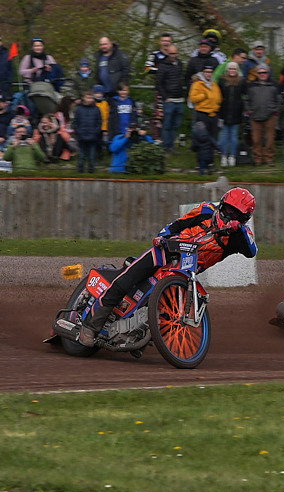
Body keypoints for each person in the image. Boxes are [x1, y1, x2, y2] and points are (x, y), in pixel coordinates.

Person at [79, 187, 258, 346]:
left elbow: (252, 251)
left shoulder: (240, 236)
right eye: (228, 210)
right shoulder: (206, 210)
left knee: (168, 310)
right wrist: (162, 236)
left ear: (244, 218)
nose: (230, 215)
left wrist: (238, 229)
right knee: (128, 277)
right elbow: (178, 224)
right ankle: (90, 327)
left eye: (236, 215)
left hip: (187, 270)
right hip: (167, 251)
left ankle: (144, 334)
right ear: (222, 204)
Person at [246, 64, 279, 165]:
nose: (262, 74)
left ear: (268, 73)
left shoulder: (274, 85)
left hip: (270, 116)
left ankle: (269, 158)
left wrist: (274, 110)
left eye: (264, 72)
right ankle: (258, 158)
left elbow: (278, 100)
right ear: (257, 74)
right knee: (256, 139)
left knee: (270, 139)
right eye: (260, 73)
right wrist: (249, 110)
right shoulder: (251, 85)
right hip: (255, 116)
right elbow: (246, 100)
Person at [217, 61, 247, 167]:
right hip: (224, 112)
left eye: (234, 69)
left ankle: (233, 156)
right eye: (230, 69)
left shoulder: (242, 82)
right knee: (224, 136)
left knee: (234, 137)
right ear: (227, 70)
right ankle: (223, 156)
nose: (232, 71)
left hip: (236, 112)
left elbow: (245, 96)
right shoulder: (222, 81)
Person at [157, 45, 184, 152]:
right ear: (168, 53)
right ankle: (166, 146)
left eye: (175, 53)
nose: (174, 56)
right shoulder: (163, 66)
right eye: (172, 53)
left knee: (176, 125)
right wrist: (165, 97)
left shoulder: (180, 64)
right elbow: (158, 83)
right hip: (169, 100)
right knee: (167, 124)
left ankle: (171, 145)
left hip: (180, 99)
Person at [73, 90, 103, 173]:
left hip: (93, 136)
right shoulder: (79, 109)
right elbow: (76, 122)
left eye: (91, 98)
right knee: (81, 155)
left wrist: (96, 132)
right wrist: (78, 132)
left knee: (92, 156)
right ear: (83, 98)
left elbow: (99, 122)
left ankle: (91, 171)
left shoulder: (96, 109)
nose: (89, 100)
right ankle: (80, 170)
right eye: (87, 98)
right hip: (82, 136)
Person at [189, 65, 222, 138]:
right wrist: (204, 96)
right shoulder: (197, 84)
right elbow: (193, 98)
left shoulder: (214, 84)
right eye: (207, 72)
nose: (209, 74)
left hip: (213, 114)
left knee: (213, 137)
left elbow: (219, 97)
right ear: (203, 73)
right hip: (202, 113)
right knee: (201, 136)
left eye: (210, 72)